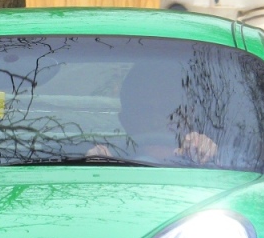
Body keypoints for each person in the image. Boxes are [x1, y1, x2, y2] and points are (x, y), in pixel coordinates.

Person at [90, 58, 219, 165]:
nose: (156, 121)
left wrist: (207, 152)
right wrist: (94, 165)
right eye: (144, 111)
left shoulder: (213, 161)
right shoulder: (110, 161)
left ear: (189, 115)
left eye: (169, 110)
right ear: (126, 121)